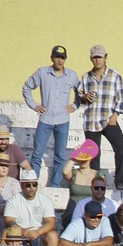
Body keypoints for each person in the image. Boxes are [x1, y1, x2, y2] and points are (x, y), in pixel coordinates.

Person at [22, 45, 78, 187]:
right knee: (37, 154)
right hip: (45, 119)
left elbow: (81, 92)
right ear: (51, 57)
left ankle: (55, 184)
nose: (59, 61)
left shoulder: (72, 75)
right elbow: (27, 87)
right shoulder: (42, 72)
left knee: (60, 155)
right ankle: (33, 181)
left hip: (63, 119)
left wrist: (75, 105)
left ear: (66, 59)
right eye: (57, 57)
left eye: (62, 58)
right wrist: (34, 105)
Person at [77, 45, 123, 191]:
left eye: (100, 57)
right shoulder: (86, 77)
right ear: (91, 59)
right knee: (94, 154)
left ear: (105, 57)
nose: (98, 60)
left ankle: (119, 180)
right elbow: (79, 96)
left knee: (121, 148)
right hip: (91, 120)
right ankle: (95, 183)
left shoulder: (115, 76)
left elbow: (121, 98)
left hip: (108, 119)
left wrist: (116, 114)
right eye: (95, 57)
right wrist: (84, 97)